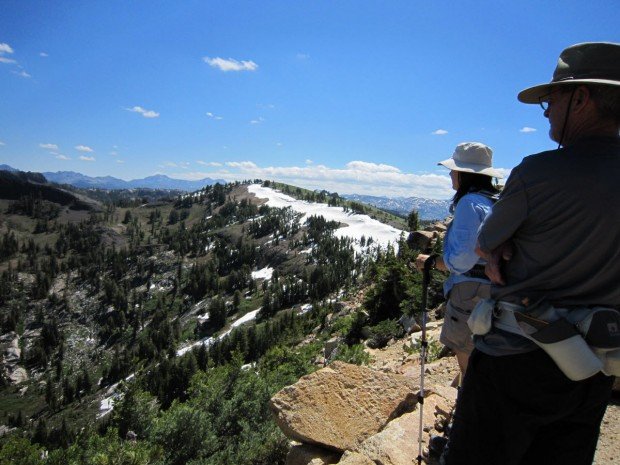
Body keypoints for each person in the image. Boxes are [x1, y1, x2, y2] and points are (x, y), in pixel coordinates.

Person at [442, 42, 620, 465]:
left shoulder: (537, 172)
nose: (546, 113)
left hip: (517, 354)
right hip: (595, 361)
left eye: (550, 100)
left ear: (581, 97)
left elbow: (485, 244)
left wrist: (503, 243)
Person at [416, 142, 502, 379]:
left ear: (464, 174)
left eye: (453, 171)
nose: (451, 175)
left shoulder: (469, 203)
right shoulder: (494, 200)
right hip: (494, 287)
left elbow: (462, 259)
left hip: (470, 289)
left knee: (464, 346)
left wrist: (433, 262)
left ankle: (468, 397)